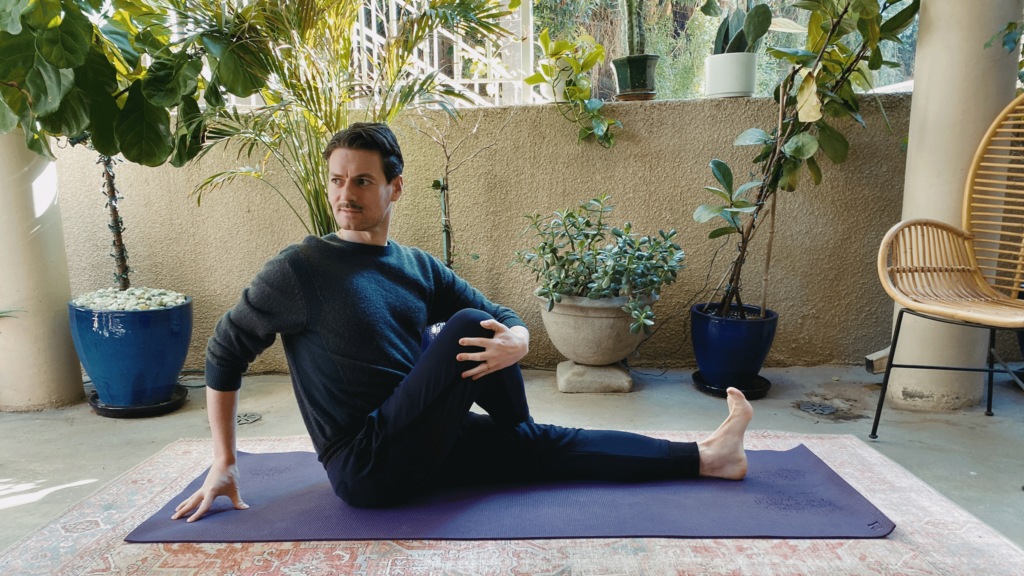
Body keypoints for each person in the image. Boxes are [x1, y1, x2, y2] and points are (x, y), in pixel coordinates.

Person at [172, 122, 753, 522]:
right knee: (469, 322)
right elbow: (224, 352)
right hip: (366, 464)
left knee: (547, 440)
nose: (345, 194)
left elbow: (503, 317)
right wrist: (224, 461)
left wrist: (518, 341)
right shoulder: (300, 269)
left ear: (395, 187)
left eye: (362, 180)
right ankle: (519, 430)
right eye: (337, 180)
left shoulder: (415, 266)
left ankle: (708, 458)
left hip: (423, 438)